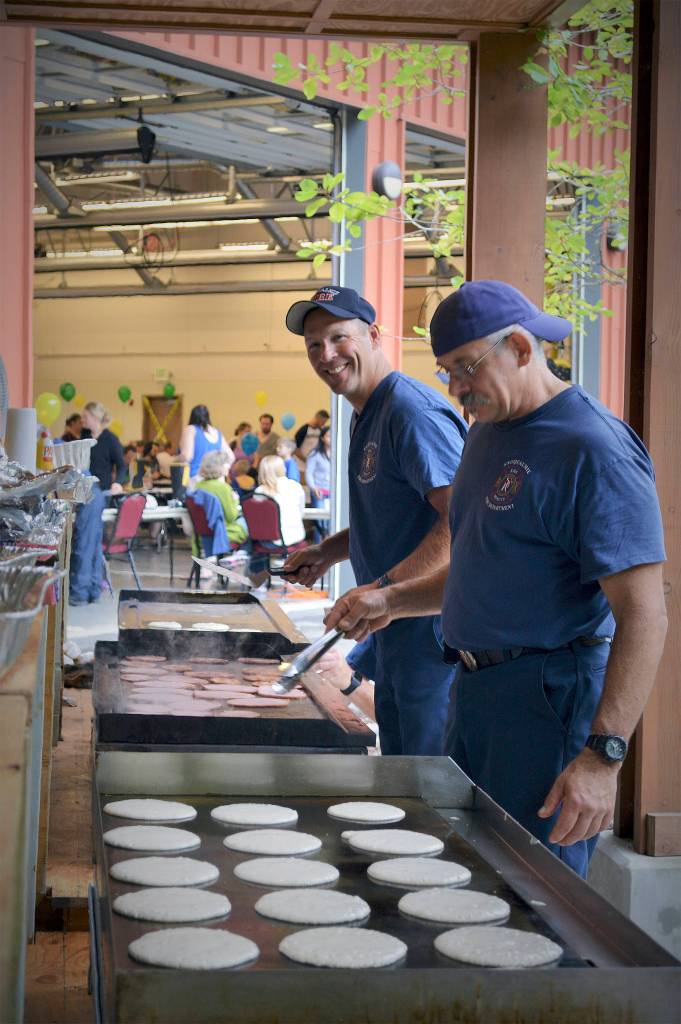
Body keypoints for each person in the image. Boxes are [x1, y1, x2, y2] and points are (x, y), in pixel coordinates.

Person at [324, 279, 667, 878]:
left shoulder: (592, 449)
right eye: (445, 371)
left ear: (521, 348)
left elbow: (644, 613)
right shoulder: (486, 430)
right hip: (474, 688)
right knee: (466, 872)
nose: (456, 390)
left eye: (466, 368)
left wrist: (604, 755)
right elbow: (483, 564)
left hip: (546, 697)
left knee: (534, 891)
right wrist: (393, 600)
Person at [282, 286, 467, 756]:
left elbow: (459, 523)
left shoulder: (410, 412)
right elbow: (393, 514)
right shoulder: (365, 413)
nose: (326, 355)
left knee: (428, 779)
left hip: (428, 628)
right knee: (402, 765)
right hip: (392, 623)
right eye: (313, 346)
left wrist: (382, 589)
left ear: (375, 336)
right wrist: (327, 551)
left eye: (339, 338)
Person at [195, 450, 248, 547]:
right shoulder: (223, 488)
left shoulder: (198, 486)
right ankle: (244, 556)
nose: (229, 466)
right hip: (223, 532)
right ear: (218, 466)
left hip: (202, 535)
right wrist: (235, 499)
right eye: (226, 463)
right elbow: (231, 516)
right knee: (249, 522)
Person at [254, 455, 306, 546]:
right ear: (283, 469)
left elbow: (259, 520)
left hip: (270, 540)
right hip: (296, 536)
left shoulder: (259, 492)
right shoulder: (296, 486)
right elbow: (300, 512)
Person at [179, 405, 234, 481]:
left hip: (196, 477)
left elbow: (187, 456)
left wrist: (176, 459)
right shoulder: (217, 432)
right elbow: (231, 456)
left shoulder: (191, 429)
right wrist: (224, 469)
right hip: (217, 479)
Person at [81, 402, 125, 494]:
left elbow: (121, 465)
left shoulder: (111, 439)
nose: (82, 419)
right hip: (84, 490)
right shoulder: (84, 436)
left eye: (85, 417)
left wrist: (118, 483)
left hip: (103, 490)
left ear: (95, 418)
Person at [305, 426, 331, 543]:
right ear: (322, 438)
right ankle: (317, 547)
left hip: (332, 494)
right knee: (319, 523)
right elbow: (309, 473)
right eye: (328, 436)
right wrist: (314, 488)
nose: (331, 438)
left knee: (330, 522)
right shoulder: (315, 454)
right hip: (319, 493)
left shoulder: (338, 452)